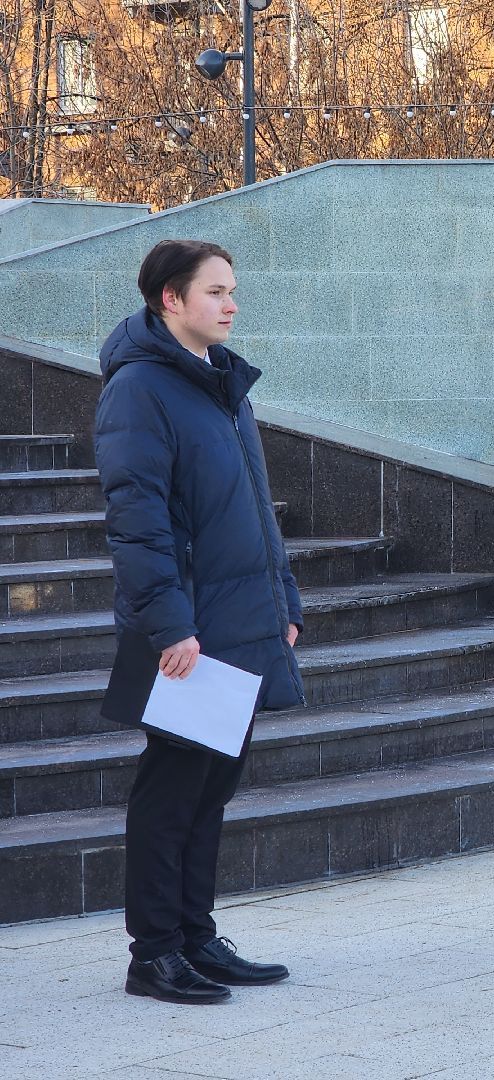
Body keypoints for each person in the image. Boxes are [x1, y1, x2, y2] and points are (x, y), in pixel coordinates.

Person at [95, 240, 303, 1004]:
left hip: (243, 619)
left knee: (214, 787)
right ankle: (153, 953)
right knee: (173, 788)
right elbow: (138, 522)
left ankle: (194, 937)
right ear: (169, 300)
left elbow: (254, 508)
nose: (231, 303)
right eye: (216, 291)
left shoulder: (222, 383)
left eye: (233, 290)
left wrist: (286, 604)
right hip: (185, 632)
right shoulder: (140, 390)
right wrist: (169, 627)